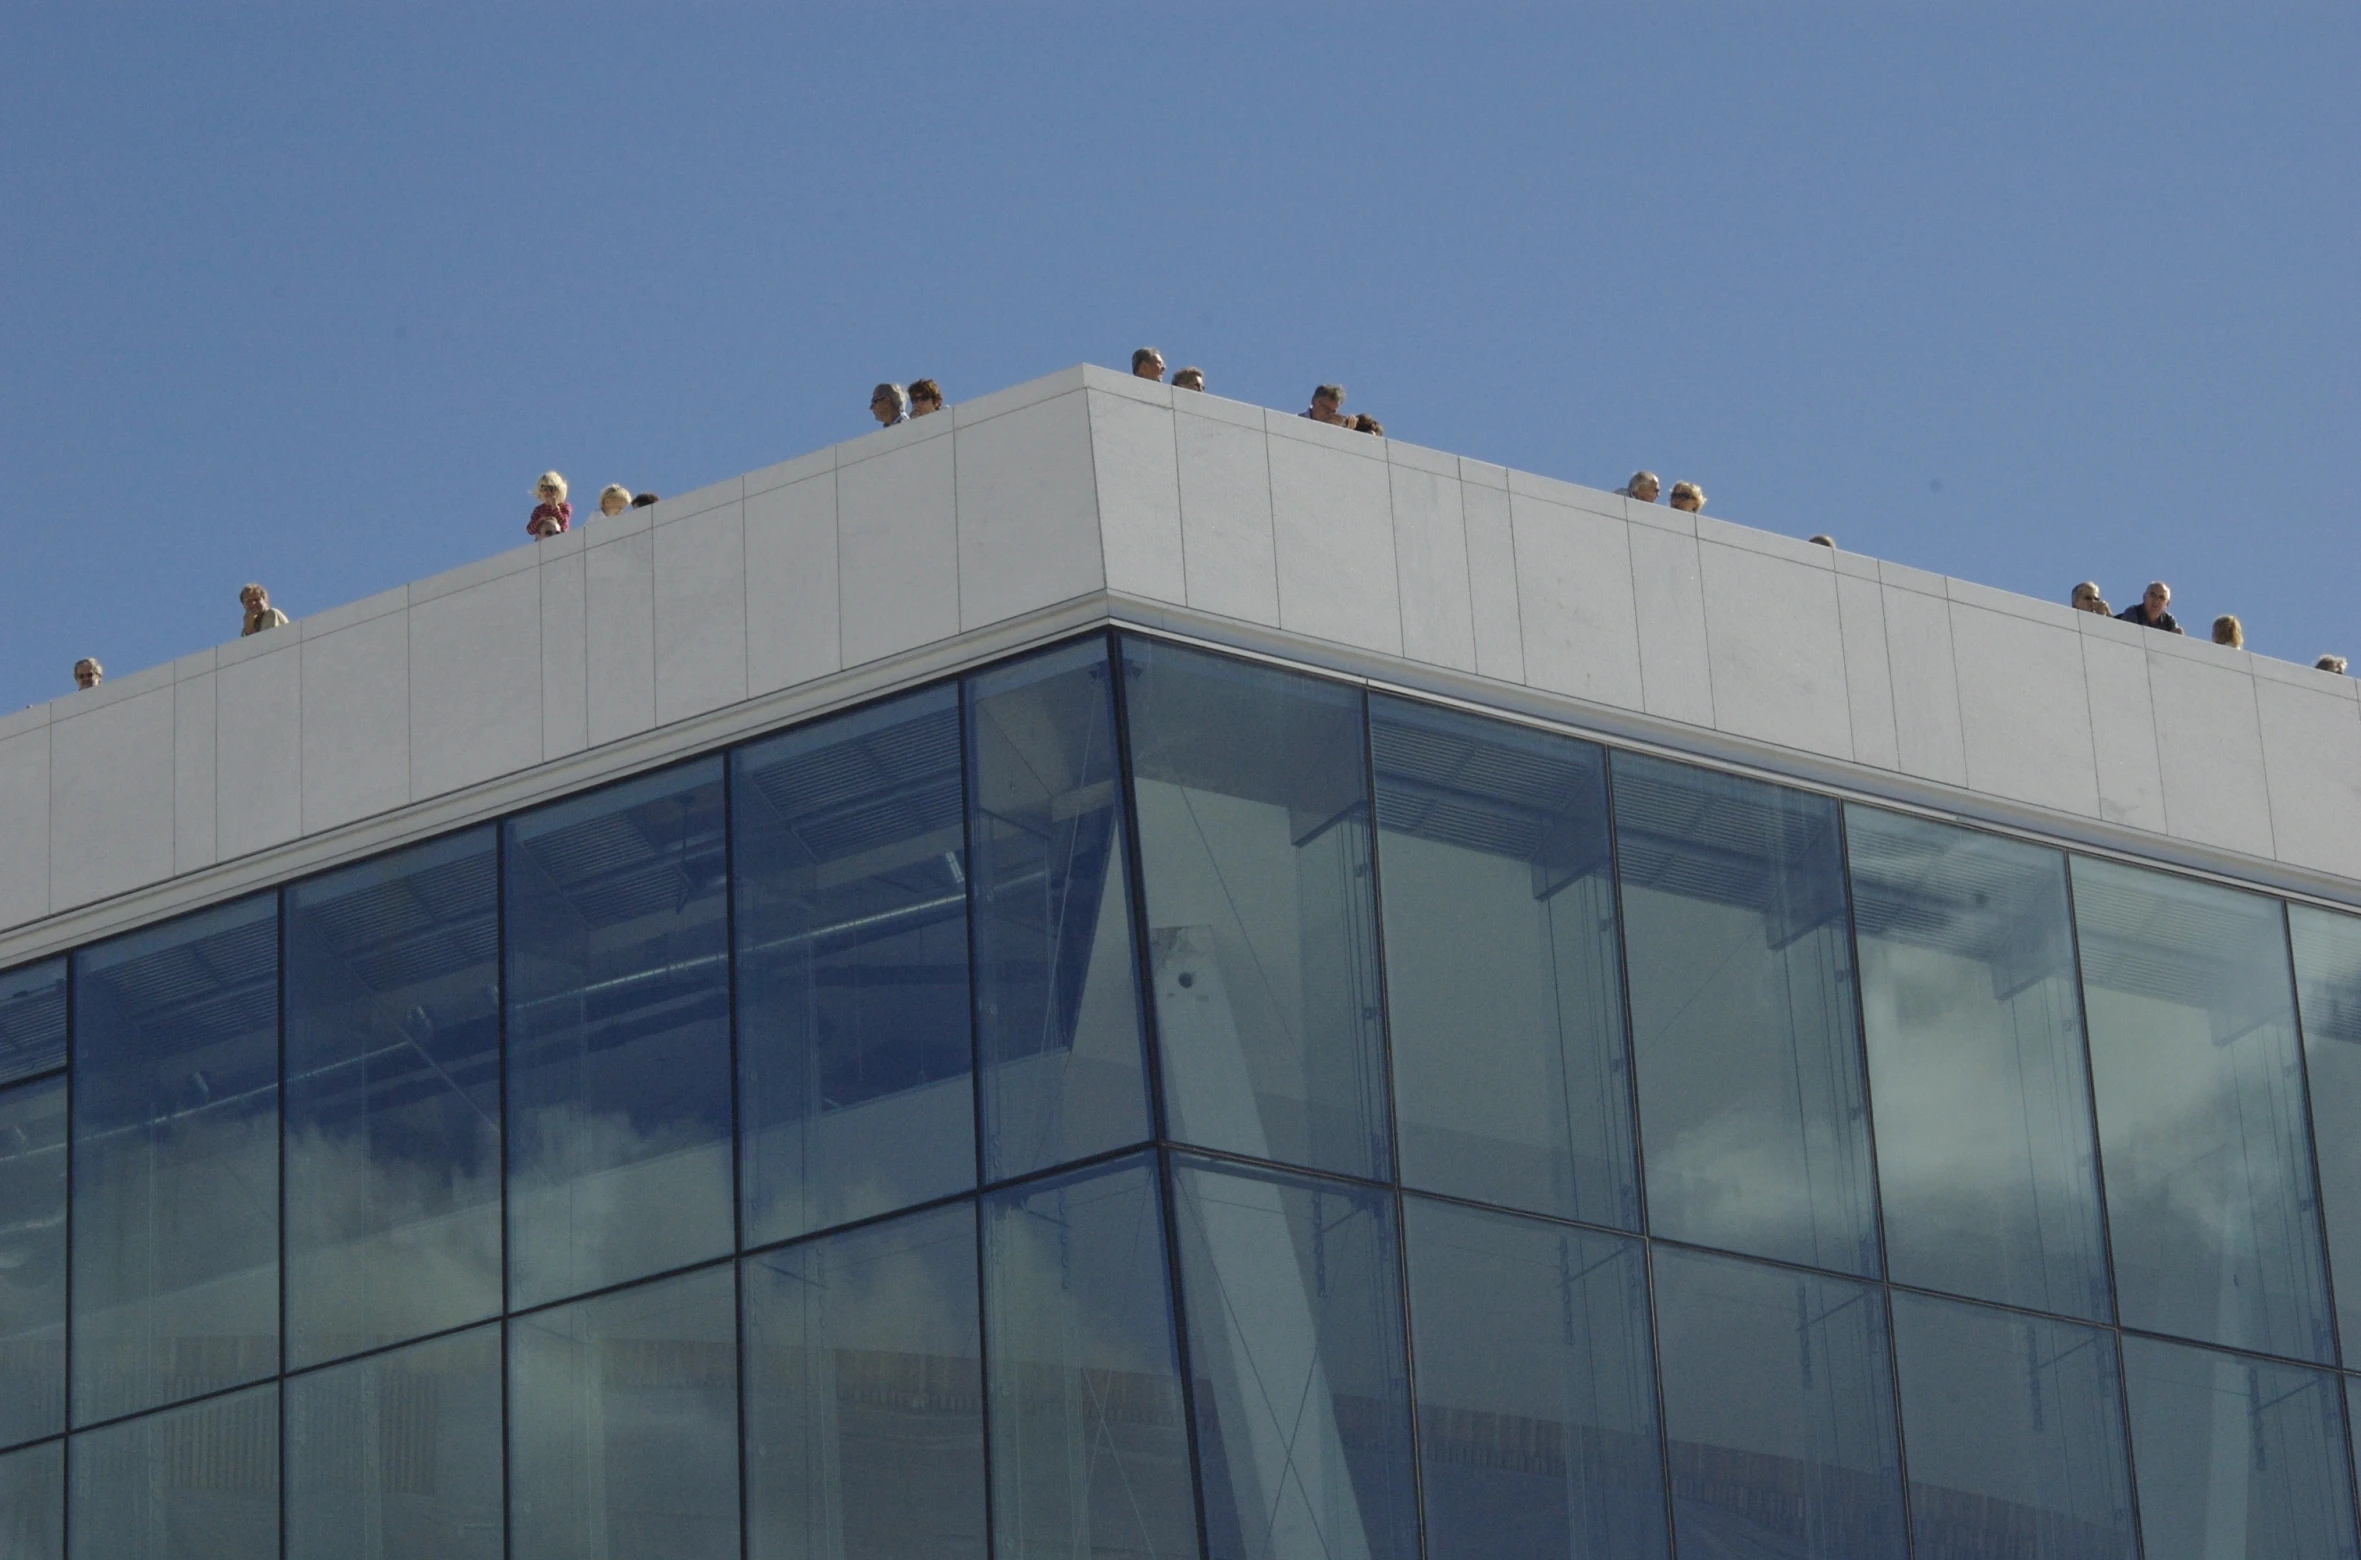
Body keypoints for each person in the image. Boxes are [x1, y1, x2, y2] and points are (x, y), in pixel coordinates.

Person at [2116, 581, 2183, 634]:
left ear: (2167, 604)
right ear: (2144, 597)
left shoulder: (2168, 621)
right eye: (2152, 595)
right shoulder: (2133, 613)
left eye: (2161, 597)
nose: (2156, 600)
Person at [528, 473, 571, 537]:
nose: (548, 492)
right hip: (543, 541)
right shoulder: (538, 510)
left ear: (558, 490)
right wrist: (540, 520)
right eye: (544, 489)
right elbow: (530, 530)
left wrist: (554, 505)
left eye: (551, 489)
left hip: (560, 539)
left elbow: (563, 524)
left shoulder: (565, 507)